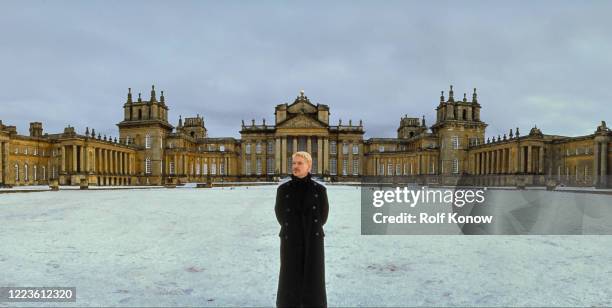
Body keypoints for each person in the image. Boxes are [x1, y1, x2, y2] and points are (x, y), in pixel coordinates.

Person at [275, 151, 329, 308]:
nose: (295, 166)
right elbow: (280, 214)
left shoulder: (320, 190)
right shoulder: (283, 190)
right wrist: (290, 227)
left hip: (312, 237)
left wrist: (311, 228)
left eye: (300, 163)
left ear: (309, 166)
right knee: (289, 274)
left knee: (313, 274)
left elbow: (323, 216)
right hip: (290, 237)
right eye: (293, 163)